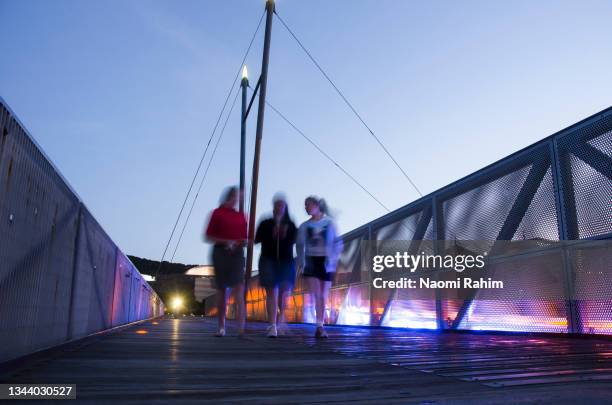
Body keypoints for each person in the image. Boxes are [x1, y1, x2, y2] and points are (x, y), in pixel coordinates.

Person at [296, 196, 343, 338]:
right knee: (317, 295)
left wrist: (333, 259)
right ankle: (319, 326)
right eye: (305, 205)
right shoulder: (304, 226)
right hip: (311, 261)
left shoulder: (329, 223)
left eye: (308, 205)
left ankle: (320, 325)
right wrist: (301, 261)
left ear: (316, 205)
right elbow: (299, 245)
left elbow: (337, 242)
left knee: (323, 295)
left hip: (326, 262)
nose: (306, 208)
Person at [204, 186, 247, 337]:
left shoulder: (241, 216)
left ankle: (241, 328)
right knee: (222, 290)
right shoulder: (217, 213)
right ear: (231, 196)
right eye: (237, 196)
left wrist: (239, 242)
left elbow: (245, 237)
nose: (239, 199)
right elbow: (208, 236)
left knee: (239, 289)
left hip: (237, 254)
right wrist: (226, 241)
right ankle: (221, 327)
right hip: (220, 253)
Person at [254, 194, 297, 338]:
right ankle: (272, 325)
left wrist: (285, 234)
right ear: (273, 207)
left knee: (284, 292)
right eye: (277, 204)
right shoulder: (266, 222)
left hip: (286, 260)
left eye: (282, 205)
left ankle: (281, 317)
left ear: (285, 208)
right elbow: (257, 239)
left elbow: (296, 240)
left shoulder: (290, 224)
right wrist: (271, 234)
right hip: (268, 259)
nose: (279, 207)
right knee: (271, 292)